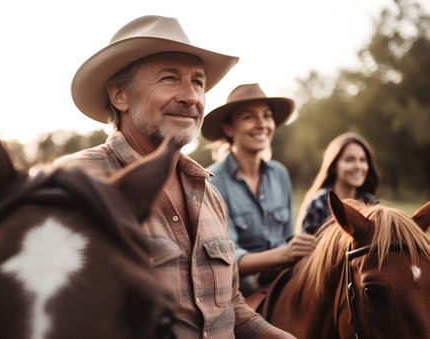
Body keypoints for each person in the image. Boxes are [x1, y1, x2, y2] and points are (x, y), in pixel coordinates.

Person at [55, 15, 295, 339]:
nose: (191, 97)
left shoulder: (210, 195)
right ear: (119, 95)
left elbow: (231, 306)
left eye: (198, 83)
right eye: (169, 78)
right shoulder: (77, 182)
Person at [202, 83, 315, 297]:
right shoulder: (213, 182)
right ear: (228, 129)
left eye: (267, 115)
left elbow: (287, 237)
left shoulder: (279, 174)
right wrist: (285, 254)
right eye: (248, 117)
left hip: (284, 283)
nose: (262, 124)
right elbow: (228, 258)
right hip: (239, 294)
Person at [296, 132, 380, 235]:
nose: (358, 166)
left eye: (362, 160)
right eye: (350, 160)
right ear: (334, 166)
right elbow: (306, 247)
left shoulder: (371, 203)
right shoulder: (319, 204)